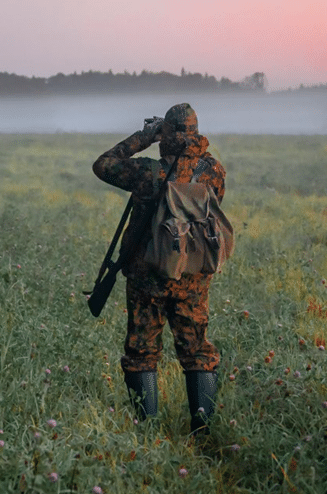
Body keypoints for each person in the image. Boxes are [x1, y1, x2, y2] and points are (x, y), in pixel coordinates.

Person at [92, 103, 226, 434]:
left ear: (164, 134)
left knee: (142, 351)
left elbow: (103, 165)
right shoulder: (213, 171)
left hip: (146, 276)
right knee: (197, 350)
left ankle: (147, 429)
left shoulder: (147, 172)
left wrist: (143, 137)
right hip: (191, 276)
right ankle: (202, 426)